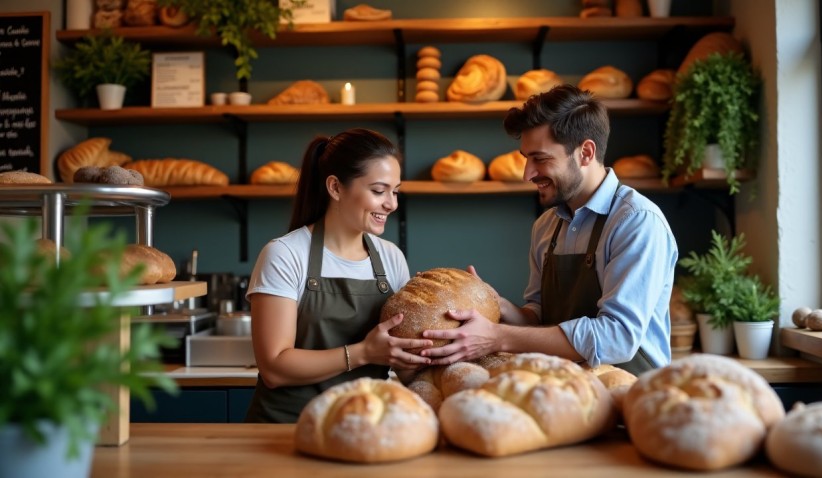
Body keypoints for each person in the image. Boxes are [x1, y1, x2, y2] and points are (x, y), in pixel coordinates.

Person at [420, 84, 678, 375]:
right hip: (566, 392)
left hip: (633, 394)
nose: (527, 173)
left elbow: (617, 338)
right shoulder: (546, 226)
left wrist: (497, 337)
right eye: (526, 158)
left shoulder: (636, 222)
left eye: (540, 159)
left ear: (586, 153)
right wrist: (497, 304)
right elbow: (540, 320)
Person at [244, 128, 432, 423]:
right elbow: (274, 368)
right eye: (379, 190)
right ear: (335, 187)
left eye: (395, 191)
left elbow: (400, 359)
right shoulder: (285, 254)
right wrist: (364, 353)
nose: (391, 204)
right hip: (285, 429)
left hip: (363, 426)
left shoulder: (391, 257)